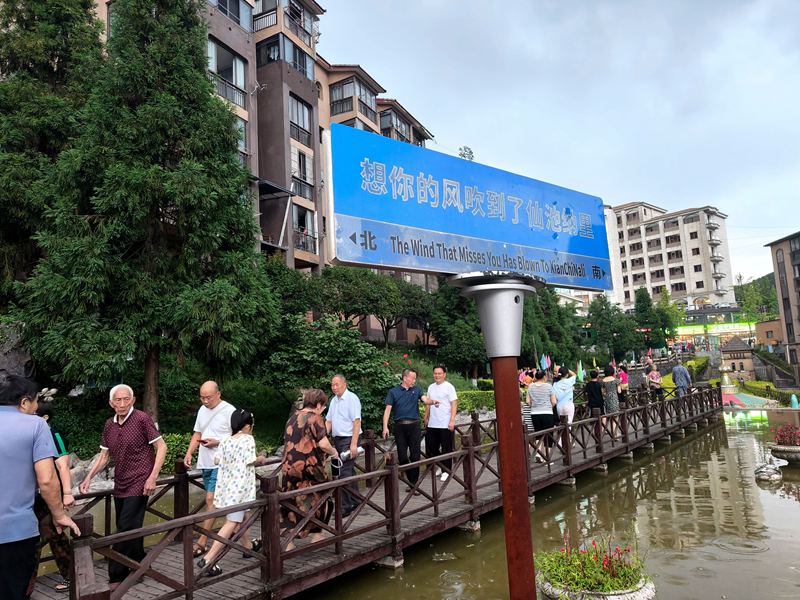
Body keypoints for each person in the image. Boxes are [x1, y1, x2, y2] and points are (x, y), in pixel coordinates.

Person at [79, 384, 167, 590]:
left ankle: (116, 576)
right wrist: (88, 477)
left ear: (133, 400)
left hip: (140, 481)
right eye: (117, 400)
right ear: (111, 403)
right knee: (130, 526)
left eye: (126, 399)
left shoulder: (142, 419)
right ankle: (141, 565)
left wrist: (152, 477)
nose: (122, 403)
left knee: (124, 528)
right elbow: (104, 456)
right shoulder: (109, 425)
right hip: (120, 481)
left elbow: (161, 447)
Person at [0, 376, 80, 600]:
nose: (36, 408)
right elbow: (46, 480)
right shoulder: (36, 425)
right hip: (14, 533)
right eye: (35, 402)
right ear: (24, 402)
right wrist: (58, 514)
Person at [197, 409, 266, 577]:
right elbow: (251, 460)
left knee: (244, 516)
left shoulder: (226, 440)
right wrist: (261, 458)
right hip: (240, 490)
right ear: (248, 426)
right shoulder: (248, 439)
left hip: (227, 488)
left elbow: (217, 459)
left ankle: (248, 546)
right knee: (231, 523)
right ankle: (208, 560)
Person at [281, 389, 339, 550]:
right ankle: (317, 535)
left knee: (290, 501)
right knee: (326, 495)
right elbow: (323, 444)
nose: (323, 409)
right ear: (318, 404)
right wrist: (334, 453)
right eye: (323, 406)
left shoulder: (292, 418)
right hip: (309, 467)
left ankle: (289, 542)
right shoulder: (315, 418)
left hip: (288, 467)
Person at [182, 381, 236, 557]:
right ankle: (243, 537)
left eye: (209, 397)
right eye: (202, 397)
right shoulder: (202, 410)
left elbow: (239, 438)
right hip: (205, 462)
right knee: (216, 501)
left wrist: (217, 442)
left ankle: (202, 542)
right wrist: (189, 452)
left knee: (211, 499)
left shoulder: (230, 411)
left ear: (218, 394)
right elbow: (197, 433)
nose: (205, 401)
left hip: (222, 463)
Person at [28, 403, 74, 595]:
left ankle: (73, 578)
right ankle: (73, 577)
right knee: (50, 537)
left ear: (45, 418)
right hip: (34, 498)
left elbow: (63, 465)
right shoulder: (31, 436)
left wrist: (67, 494)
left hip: (51, 498)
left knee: (45, 538)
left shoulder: (53, 435)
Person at [382, 368, 436, 491]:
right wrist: (385, 427)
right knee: (402, 456)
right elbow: (387, 410)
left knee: (415, 456)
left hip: (414, 426)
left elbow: (425, 399)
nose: (414, 380)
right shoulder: (393, 392)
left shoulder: (416, 390)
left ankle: (413, 484)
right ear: (405, 378)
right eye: (413, 378)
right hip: (400, 426)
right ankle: (411, 480)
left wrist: (432, 402)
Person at [326, 374, 362, 516]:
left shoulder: (352, 398)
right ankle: (356, 498)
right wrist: (321, 436)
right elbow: (328, 421)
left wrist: (353, 444)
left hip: (349, 439)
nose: (334, 387)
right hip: (337, 440)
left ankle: (345, 506)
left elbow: (356, 421)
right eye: (332, 385)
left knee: (344, 472)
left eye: (337, 384)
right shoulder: (334, 401)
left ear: (344, 384)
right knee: (346, 471)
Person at [425, 366, 458, 482]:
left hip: (445, 422)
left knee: (446, 448)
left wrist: (452, 420)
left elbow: (454, 404)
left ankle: (446, 471)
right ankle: (440, 465)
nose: (437, 375)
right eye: (435, 373)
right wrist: (426, 417)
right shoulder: (431, 387)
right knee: (432, 447)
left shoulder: (449, 387)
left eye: (439, 373)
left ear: (444, 374)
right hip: (433, 423)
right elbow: (428, 404)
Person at [527, 370, 557, 461]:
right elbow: (554, 402)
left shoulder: (530, 387)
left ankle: (539, 455)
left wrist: (535, 406)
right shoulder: (549, 386)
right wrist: (549, 407)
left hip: (535, 413)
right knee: (549, 435)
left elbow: (528, 401)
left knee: (538, 434)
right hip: (547, 413)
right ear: (544, 377)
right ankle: (547, 458)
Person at [601, 366, 621, 438]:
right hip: (614, 399)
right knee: (615, 418)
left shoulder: (602, 381)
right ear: (612, 371)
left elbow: (603, 392)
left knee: (608, 416)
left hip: (607, 400)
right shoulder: (616, 380)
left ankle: (610, 432)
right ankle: (615, 434)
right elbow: (619, 391)